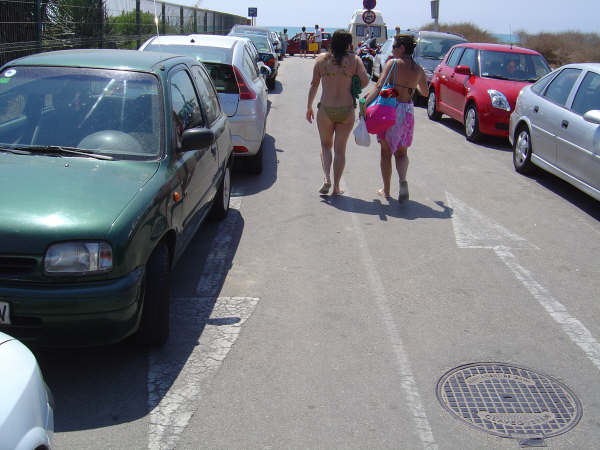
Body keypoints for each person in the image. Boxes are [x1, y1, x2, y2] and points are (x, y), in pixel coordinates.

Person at [364, 34, 428, 203]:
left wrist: (365, 103)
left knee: (386, 153)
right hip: (407, 111)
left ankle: (386, 190)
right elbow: (426, 92)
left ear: (402, 48)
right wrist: (411, 86)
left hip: (390, 109)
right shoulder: (418, 69)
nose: (391, 50)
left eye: (393, 47)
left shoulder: (393, 64)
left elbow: (379, 86)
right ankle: (403, 181)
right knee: (402, 153)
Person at [306, 30, 369, 196]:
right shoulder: (354, 60)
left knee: (326, 145)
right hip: (346, 109)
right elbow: (366, 80)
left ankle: (326, 178)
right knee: (340, 150)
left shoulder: (321, 60)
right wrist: (354, 86)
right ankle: (336, 188)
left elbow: (314, 85)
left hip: (326, 109)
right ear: (349, 44)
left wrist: (309, 106)